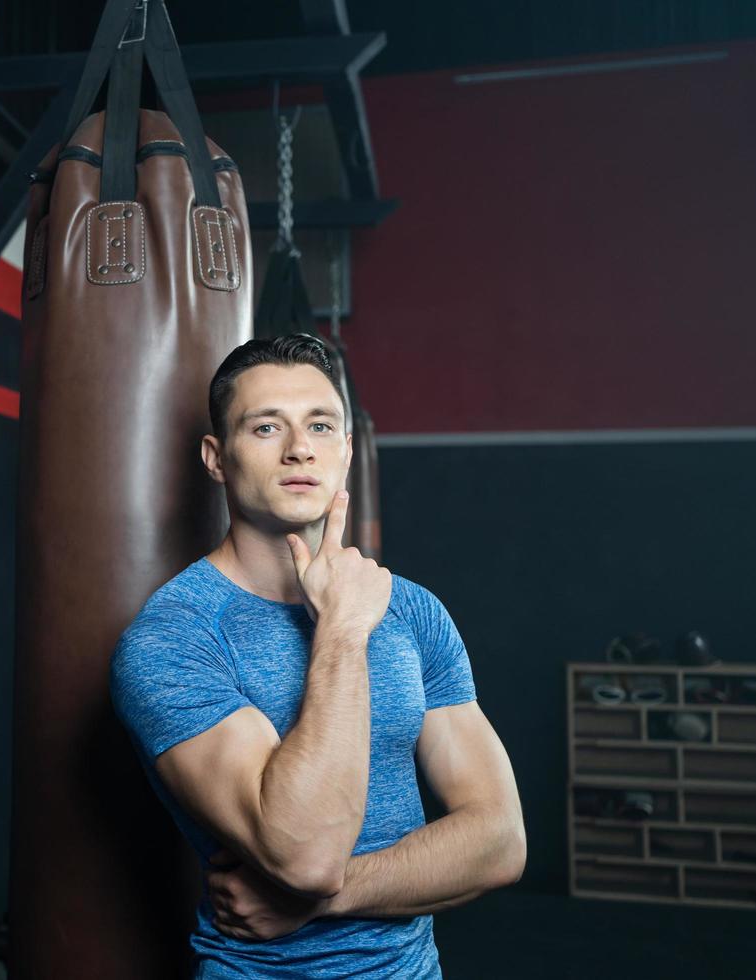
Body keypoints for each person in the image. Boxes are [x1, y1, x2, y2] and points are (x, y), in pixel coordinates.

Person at [109, 334, 526, 978]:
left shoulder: (412, 611)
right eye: (267, 425)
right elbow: (304, 856)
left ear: (348, 450)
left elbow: (500, 840)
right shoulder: (175, 638)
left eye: (322, 425)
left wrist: (323, 901)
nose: (300, 447)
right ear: (216, 458)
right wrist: (341, 631)